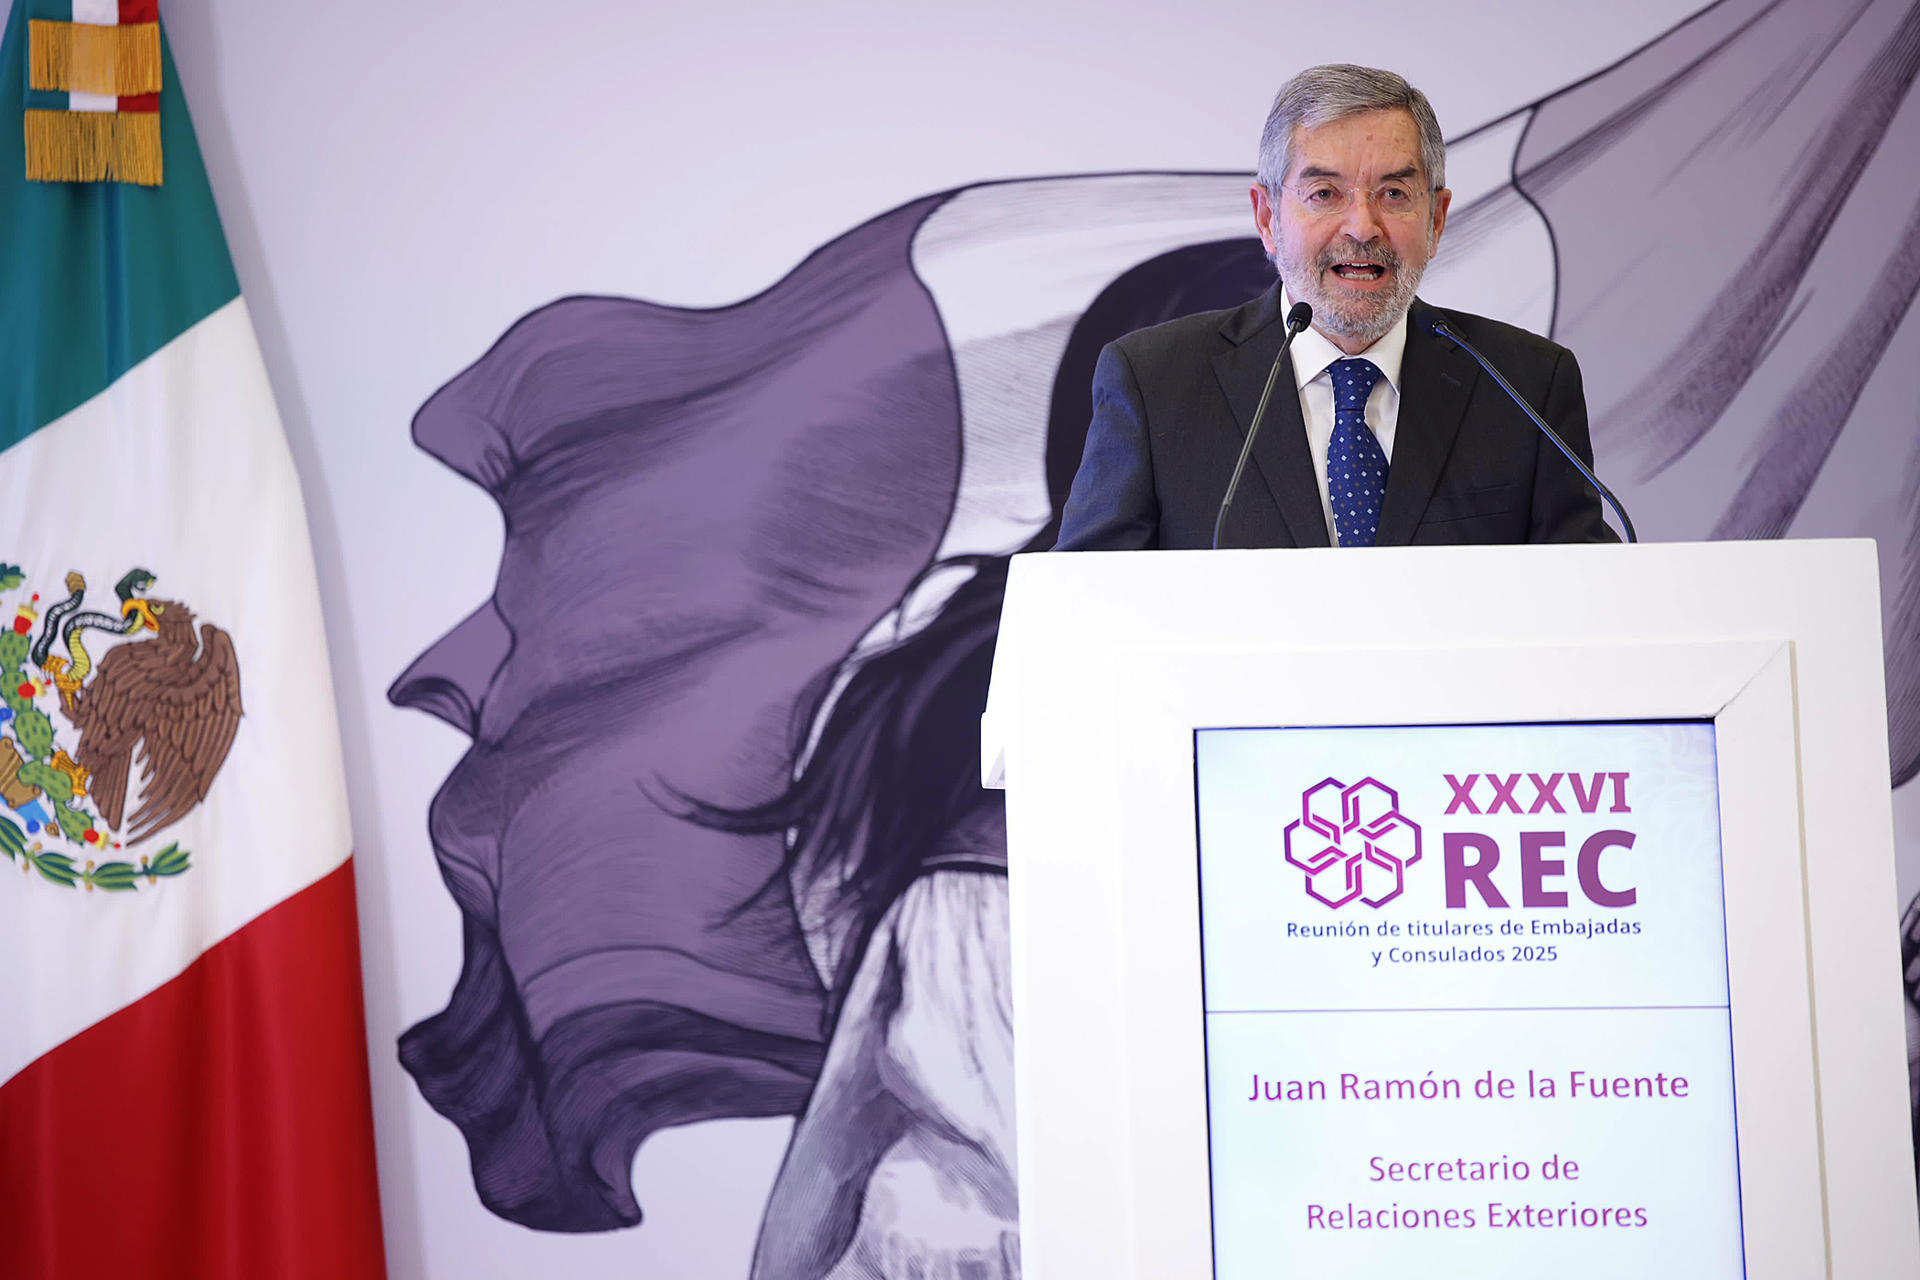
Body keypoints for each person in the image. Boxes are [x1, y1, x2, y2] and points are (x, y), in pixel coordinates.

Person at [1055, 63, 1617, 552]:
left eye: (1394, 194)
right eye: (1325, 194)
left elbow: (1592, 608)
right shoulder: (1156, 383)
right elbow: (1085, 615)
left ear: (1437, 218)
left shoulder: (1526, 384)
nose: (1362, 227)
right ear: (1268, 217)